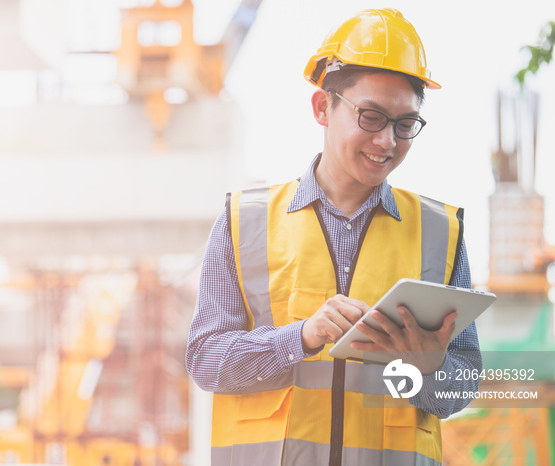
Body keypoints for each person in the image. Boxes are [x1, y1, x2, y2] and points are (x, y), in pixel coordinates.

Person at [185, 8, 482, 466]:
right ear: (323, 107)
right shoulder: (243, 222)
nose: (387, 141)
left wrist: (429, 370)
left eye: (405, 125)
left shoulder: (440, 233)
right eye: (371, 117)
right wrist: (300, 337)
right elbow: (206, 360)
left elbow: (462, 386)